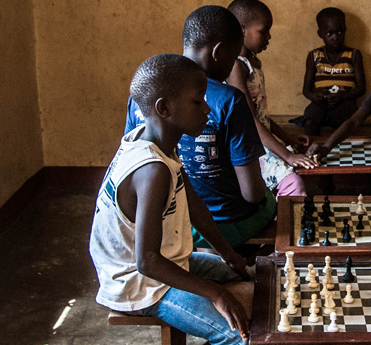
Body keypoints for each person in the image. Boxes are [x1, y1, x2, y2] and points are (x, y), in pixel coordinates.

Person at [91, 54, 251, 345]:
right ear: (164, 108)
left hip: (164, 262)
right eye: (197, 101)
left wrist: (230, 255)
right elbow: (147, 262)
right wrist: (217, 293)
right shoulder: (152, 171)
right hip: (139, 285)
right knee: (242, 336)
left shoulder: (156, 141)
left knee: (247, 275)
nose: (207, 108)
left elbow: (194, 206)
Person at [125, 6, 275, 249]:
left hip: (166, 225)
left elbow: (133, 166)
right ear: (219, 52)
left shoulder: (143, 93)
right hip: (225, 224)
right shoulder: (229, 99)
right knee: (269, 200)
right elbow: (252, 194)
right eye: (234, 55)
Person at [226, 0, 313, 197]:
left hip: (260, 139)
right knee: (294, 184)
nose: (269, 37)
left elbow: (259, 114)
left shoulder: (251, 64)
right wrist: (288, 155)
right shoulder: (236, 67)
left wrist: (288, 137)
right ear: (241, 30)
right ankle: (282, 228)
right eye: (263, 31)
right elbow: (249, 120)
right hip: (248, 146)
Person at [298, 7, 366, 140]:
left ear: (345, 30)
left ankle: (342, 150)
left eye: (340, 32)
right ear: (320, 34)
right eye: (330, 33)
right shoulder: (314, 56)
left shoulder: (353, 55)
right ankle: (313, 150)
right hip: (321, 102)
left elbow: (361, 88)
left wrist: (343, 97)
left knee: (346, 123)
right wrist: (314, 96)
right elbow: (306, 89)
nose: (336, 37)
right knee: (310, 120)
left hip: (345, 101)